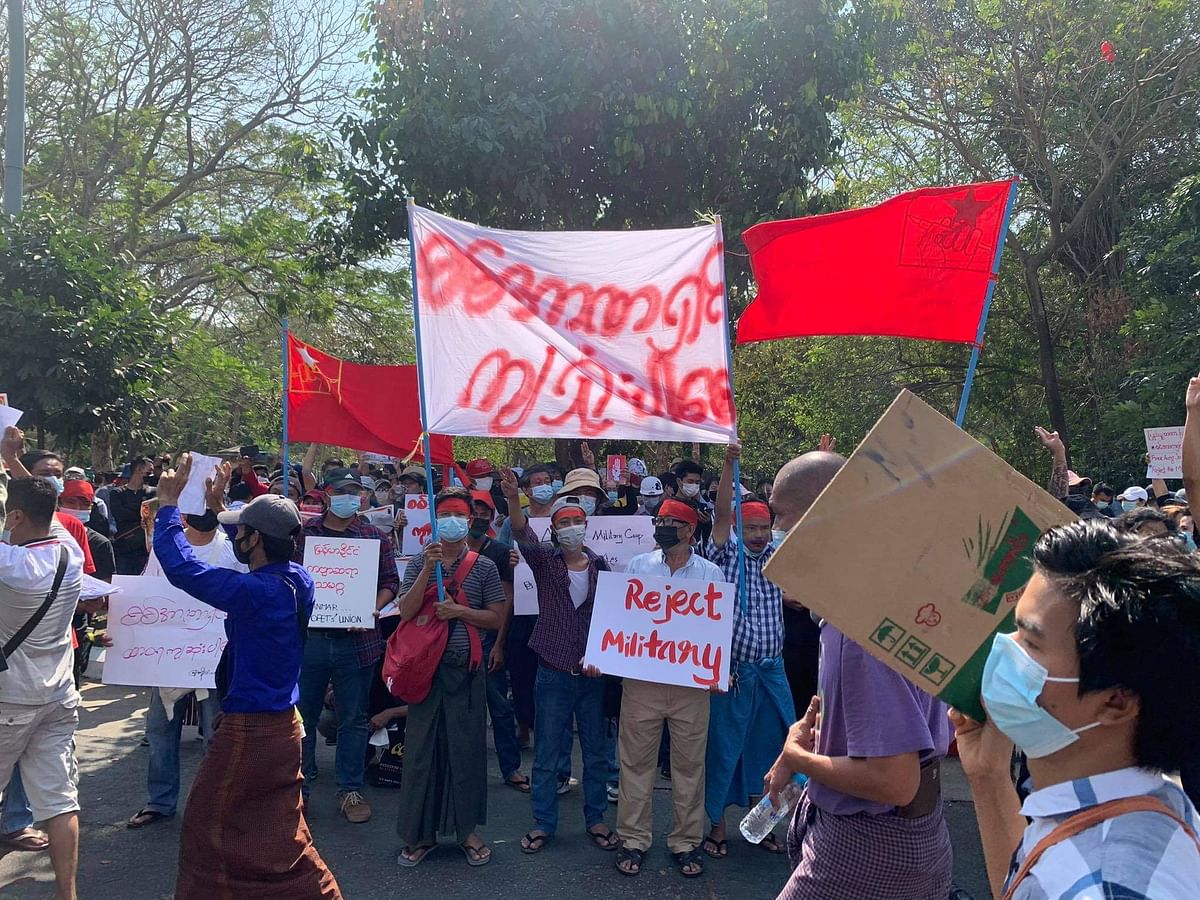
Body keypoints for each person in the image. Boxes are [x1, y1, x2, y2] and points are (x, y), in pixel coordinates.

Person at [950, 520, 1200, 900]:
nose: (1003, 648)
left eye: (1030, 643)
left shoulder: (1109, 886)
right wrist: (987, 776)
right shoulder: (1141, 808)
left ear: (1115, 702)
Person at [150, 457, 342, 898]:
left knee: (207, 828)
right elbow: (245, 559)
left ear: (255, 540)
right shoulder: (296, 578)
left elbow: (184, 571)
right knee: (279, 830)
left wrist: (167, 508)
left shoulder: (256, 592)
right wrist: (220, 508)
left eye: (241, 531)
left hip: (251, 730)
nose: (234, 536)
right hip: (282, 724)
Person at [767, 447, 953, 900]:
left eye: (782, 517)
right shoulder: (891, 592)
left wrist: (798, 757)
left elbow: (894, 780)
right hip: (908, 839)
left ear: (823, 518)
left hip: (869, 847)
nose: (775, 534)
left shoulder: (857, 631)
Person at [499, 469, 620, 858]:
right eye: (563, 523)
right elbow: (521, 532)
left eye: (576, 522)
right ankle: (543, 823)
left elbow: (611, 619)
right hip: (552, 672)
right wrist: (512, 496)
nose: (571, 528)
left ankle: (596, 819)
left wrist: (604, 656)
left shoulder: (603, 568)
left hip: (592, 676)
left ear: (587, 526)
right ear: (553, 530)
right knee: (548, 752)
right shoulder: (542, 561)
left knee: (597, 753)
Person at [609, 498, 722, 878]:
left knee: (689, 766)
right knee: (635, 763)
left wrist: (719, 670)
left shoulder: (710, 574)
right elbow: (620, 620)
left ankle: (686, 842)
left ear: (690, 530)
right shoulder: (638, 566)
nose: (662, 526)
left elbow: (715, 630)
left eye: (671, 521)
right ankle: (632, 839)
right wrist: (604, 654)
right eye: (660, 520)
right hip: (642, 684)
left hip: (691, 687)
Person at [395, 487, 506, 868]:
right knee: (422, 752)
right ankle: (419, 834)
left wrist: (459, 611)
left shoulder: (485, 566)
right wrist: (427, 568)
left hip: (465, 668)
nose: (454, 522)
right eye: (446, 515)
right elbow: (405, 611)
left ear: (469, 519)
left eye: (460, 515)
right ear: (435, 520)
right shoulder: (418, 562)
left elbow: (495, 617)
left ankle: (467, 832)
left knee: (467, 750)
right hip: (424, 669)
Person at [703, 443, 793, 859]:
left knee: (775, 751)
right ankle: (717, 828)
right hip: (734, 674)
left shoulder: (779, 556)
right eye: (750, 527)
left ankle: (764, 826)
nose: (757, 534)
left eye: (763, 527)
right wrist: (727, 465)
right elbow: (721, 515)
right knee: (725, 750)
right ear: (740, 527)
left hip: (773, 672)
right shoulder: (724, 556)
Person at [127, 505, 244, 829]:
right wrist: (121, 632)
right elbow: (143, 593)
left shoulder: (231, 550)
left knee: (215, 737)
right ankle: (160, 802)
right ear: (184, 515)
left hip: (215, 659)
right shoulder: (168, 546)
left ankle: (213, 807)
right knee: (161, 733)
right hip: (169, 659)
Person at [294, 468, 399, 824]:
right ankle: (300, 786)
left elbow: (390, 582)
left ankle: (350, 788)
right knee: (302, 717)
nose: (351, 498)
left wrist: (374, 606)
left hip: (359, 641)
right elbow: (290, 579)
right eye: (343, 491)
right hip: (310, 639)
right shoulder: (304, 536)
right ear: (326, 494)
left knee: (353, 718)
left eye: (357, 492)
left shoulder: (375, 536)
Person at [0, 477, 85, 900]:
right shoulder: (67, 552)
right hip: (58, 695)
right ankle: (67, 895)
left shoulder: (10, 566)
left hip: (9, 700)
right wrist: (13, 463)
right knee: (58, 800)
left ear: (15, 517)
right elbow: (40, 507)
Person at [466, 489, 529, 793]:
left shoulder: (501, 552)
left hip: (490, 639)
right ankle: (463, 770)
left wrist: (500, 644)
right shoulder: (442, 550)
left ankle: (510, 768)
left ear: (492, 518)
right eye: (473, 512)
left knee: (500, 707)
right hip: (452, 640)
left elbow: (507, 598)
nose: (477, 517)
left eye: (484, 513)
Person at [109, 457, 156, 574]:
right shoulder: (117, 493)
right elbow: (120, 515)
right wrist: (142, 511)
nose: (151, 474)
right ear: (139, 469)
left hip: (146, 548)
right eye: (149, 471)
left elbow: (154, 512)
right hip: (124, 548)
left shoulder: (153, 492)